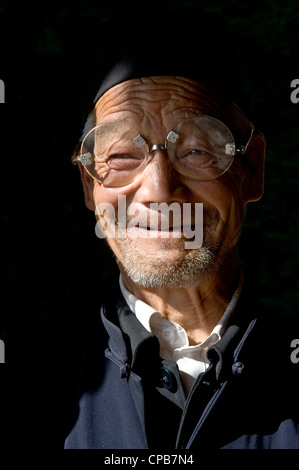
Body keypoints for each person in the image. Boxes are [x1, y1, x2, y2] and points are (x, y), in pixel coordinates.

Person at [10, 7, 299, 450]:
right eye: (123, 154)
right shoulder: (26, 386)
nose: (159, 188)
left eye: (198, 150)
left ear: (252, 169)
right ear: (90, 185)